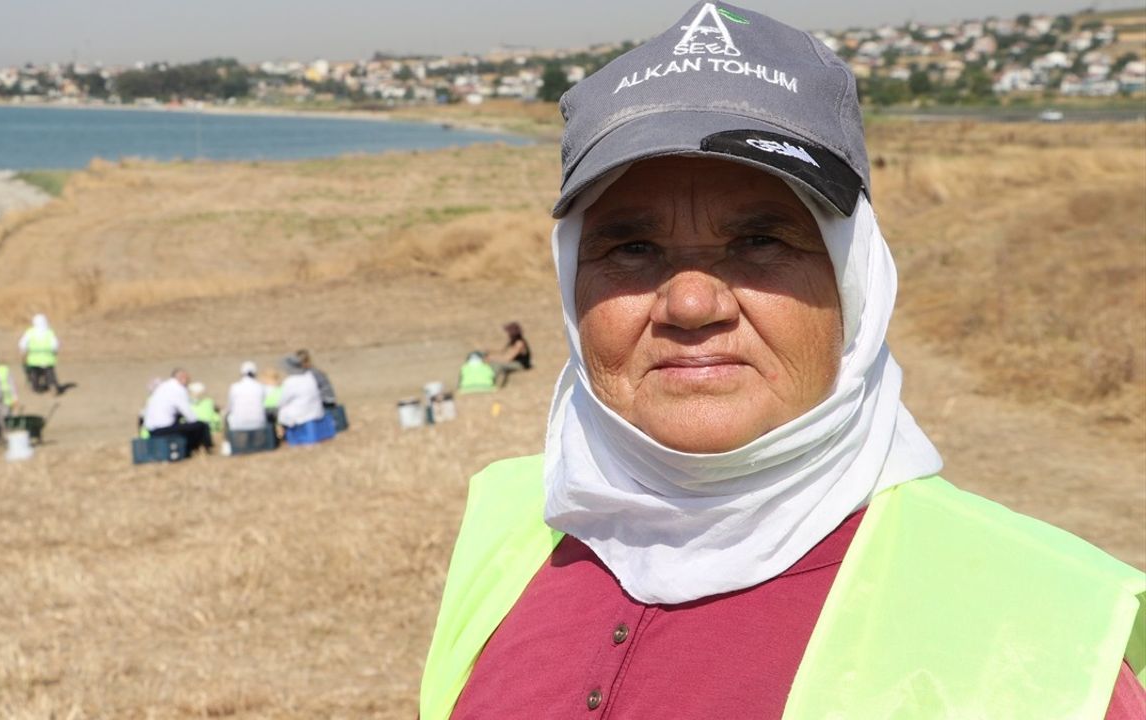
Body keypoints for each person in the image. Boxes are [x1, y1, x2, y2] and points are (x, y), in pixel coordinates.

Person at [420, 5, 1146, 719]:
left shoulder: (1042, 630)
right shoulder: (511, 521)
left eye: (762, 242)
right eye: (632, 249)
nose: (692, 303)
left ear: (854, 283)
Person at [142, 368, 212, 456]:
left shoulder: (162, 387)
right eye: (188, 380)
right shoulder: (178, 389)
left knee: (184, 425)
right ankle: (204, 451)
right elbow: (190, 415)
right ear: (182, 378)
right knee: (201, 426)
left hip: (151, 430)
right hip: (163, 429)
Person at [277, 355, 334, 446]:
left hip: (300, 416)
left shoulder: (290, 381)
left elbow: (280, 400)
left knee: (281, 411)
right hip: (316, 412)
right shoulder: (309, 376)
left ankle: (282, 436)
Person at [296, 348, 347, 432]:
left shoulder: (310, 373)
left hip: (325, 401)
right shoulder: (313, 371)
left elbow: (309, 392)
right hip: (327, 399)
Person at [18, 314, 70, 395]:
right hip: (48, 358)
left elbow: (22, 344)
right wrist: (54, 352)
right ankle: (52, 385)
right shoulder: (49, 332)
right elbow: (55, 344)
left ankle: (35, 387)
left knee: (34, 374)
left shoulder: (30, 332)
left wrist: (24, 352)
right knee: (50, 374)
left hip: (33, 359)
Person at [485, 321, 531, 387]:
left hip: (520, 364)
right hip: (514, 361)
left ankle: (492, 383)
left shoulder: (519, 343)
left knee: (497, 365)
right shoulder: (512, 341)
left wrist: (492, 359)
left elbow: (508, 359)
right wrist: (489, 353)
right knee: (491, 363)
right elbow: (503, 351)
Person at [226, 361, 268, 433]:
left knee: (226, 417)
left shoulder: (235, 387)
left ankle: (227, 442)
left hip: (238, 424)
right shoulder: (260, 387)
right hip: (258, 423)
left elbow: (230, 406)